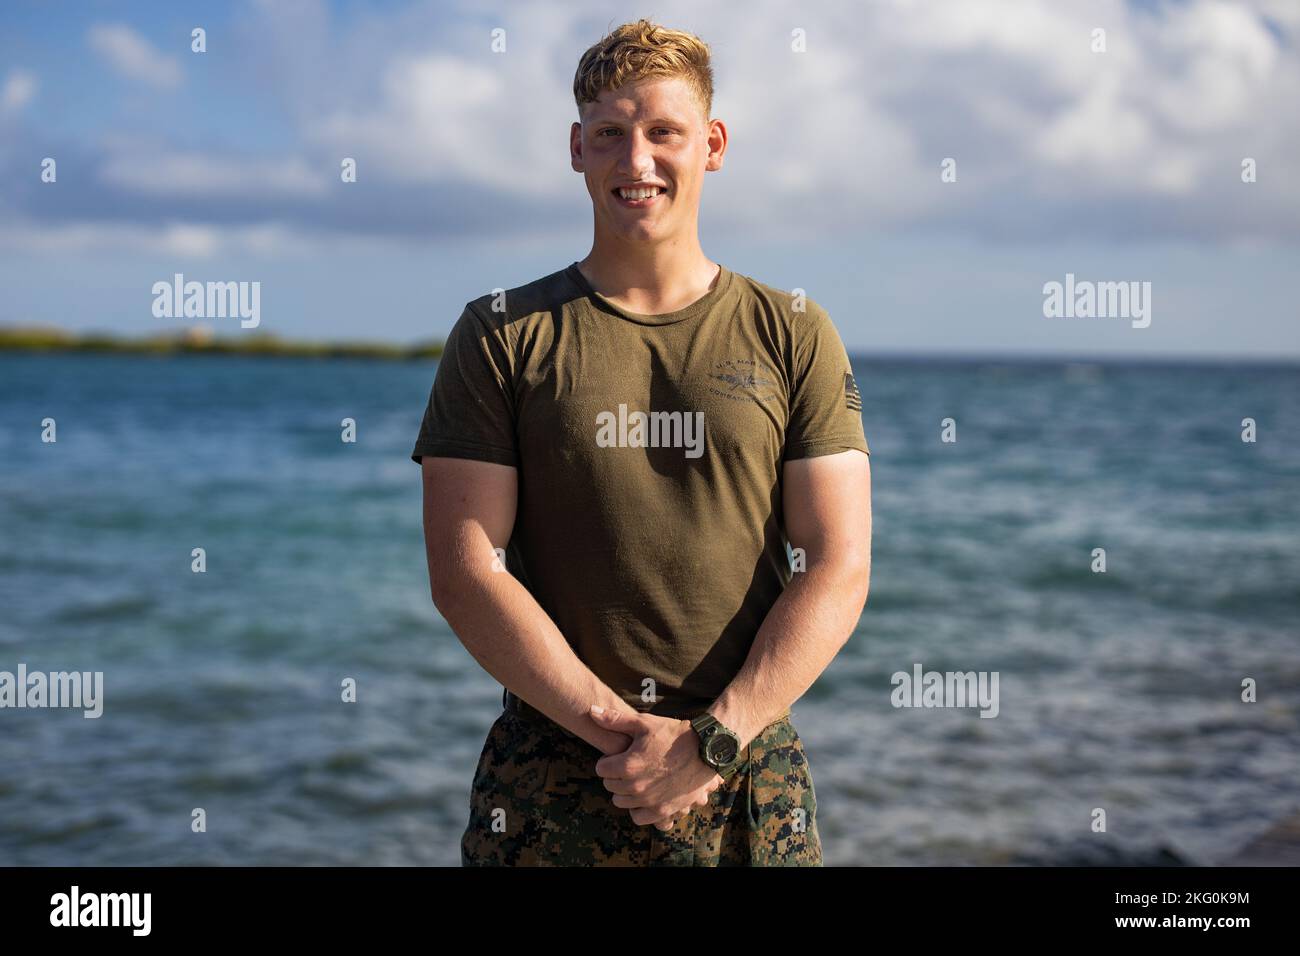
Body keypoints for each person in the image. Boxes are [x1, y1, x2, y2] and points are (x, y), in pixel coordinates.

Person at [412, 18, 871, 866]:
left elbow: (839, 562)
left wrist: (714, 739)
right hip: (550, 776)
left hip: (746, 778)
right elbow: (465, 569)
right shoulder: (500, 334)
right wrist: (620, 734)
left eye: (664, 132)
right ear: (576, 148)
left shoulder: (794, 330)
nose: (637, 161)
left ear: (713, 143)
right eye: (611, 135)